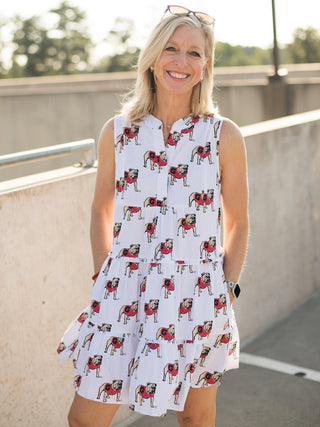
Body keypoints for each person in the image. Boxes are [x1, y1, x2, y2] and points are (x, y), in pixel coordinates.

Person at [57, 5, 249, 426]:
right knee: (84, 418)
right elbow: (101, 208)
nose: (181, 61)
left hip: (197, 294)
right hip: (122, 291)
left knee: (196, 420)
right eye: (172, 48)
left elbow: (236, 221)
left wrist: (226, 290)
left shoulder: (224, 136)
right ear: (152, 57)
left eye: (194, 53)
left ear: (205, 65)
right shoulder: (118, 131)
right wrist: (102, 274)